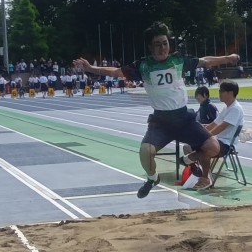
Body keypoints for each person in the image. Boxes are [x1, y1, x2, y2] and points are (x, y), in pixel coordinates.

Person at [73, 21, 239, 197]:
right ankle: (153, 178)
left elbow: (205, 61)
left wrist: (227, 58)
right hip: (161, 122)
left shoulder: (178, 60)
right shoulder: (143, 66)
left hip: (184, 119)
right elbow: (115, 72)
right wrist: (90, 68)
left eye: (165, 43)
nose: (162, 48)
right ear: (150, 47)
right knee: (145, 153)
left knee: (212, 146)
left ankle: (200, 173)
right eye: (157, 44)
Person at [184, 80, 244, 189]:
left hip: (226, 144)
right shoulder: (227, 108)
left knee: (205, 148)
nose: (219, 93)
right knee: (187, 147)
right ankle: (198, 171)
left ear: (230, 93)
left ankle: (205, 178)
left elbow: (222, 127)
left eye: (221, 91)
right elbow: (213, 124)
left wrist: (205, 137)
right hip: (217, 141)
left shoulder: (236, 109)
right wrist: (199, 133)